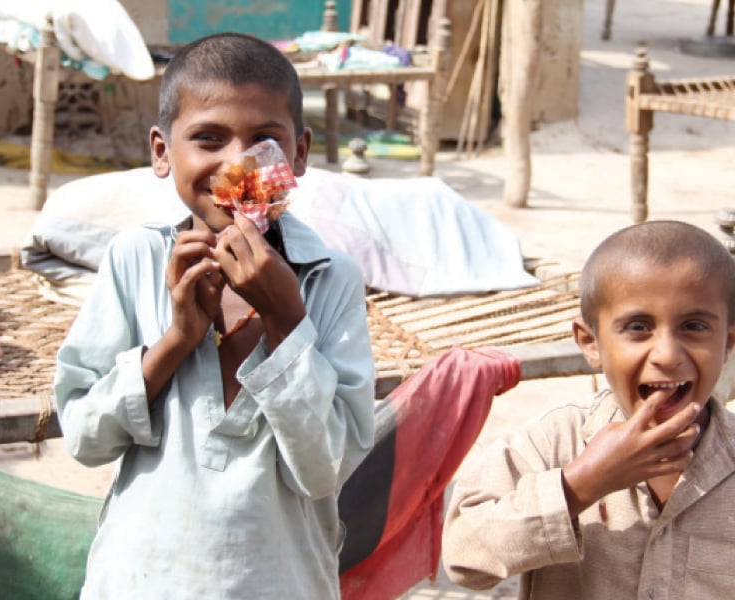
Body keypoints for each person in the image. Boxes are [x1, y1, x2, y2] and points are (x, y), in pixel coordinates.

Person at [54, 32, 375, 599]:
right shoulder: (136, 261)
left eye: (263, 141)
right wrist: (176, 340)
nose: (236, 164)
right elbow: (84, 438)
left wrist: (286, 321)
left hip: (281, 582)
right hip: (140, 582)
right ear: (161, 152)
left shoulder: (331, 279)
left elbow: (327, 469)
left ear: (298, 154)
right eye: (208, 139)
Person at [441, 220, 735, 599]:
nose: (666, 355)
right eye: (637, 327)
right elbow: (465, 558)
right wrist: (582, 484)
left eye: (693, 326)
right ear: (590, 342)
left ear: (727, 343)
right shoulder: (553, 441)